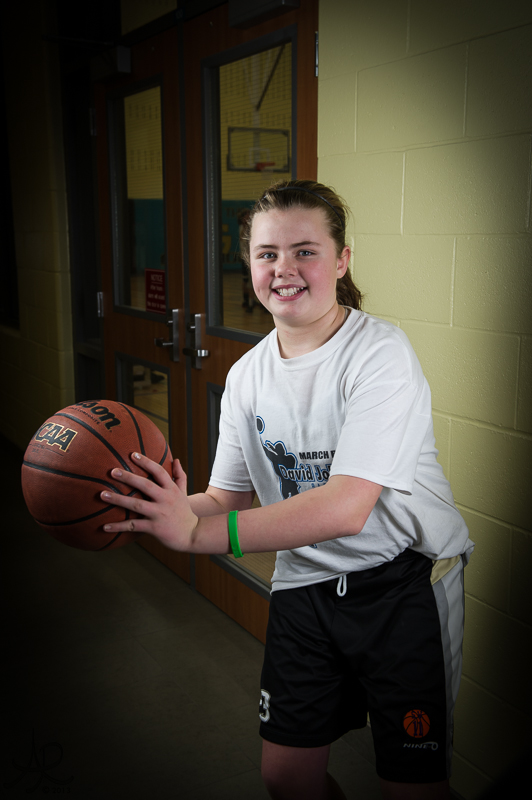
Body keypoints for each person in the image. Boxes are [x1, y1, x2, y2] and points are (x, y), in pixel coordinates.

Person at [101, 179, 474, 800]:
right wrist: (151, 510)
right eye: (267, 253)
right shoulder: (246, 376)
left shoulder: (379, 354)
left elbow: (347, 508)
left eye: (306, 251)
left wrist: (194, 535)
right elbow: (224, 500)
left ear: (342, 260)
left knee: (411, 788)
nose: (284, 269)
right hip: (306, 586)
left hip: (404, 584)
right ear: (248, 263)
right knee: (286, 777)